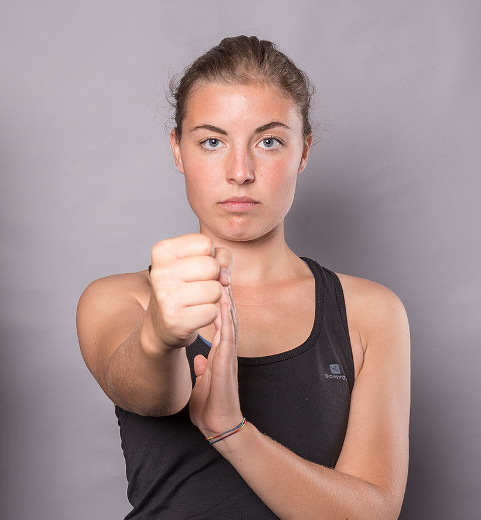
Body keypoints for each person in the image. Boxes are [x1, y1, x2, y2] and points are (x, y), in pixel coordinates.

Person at [76, 36, 410, 519]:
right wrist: (160, 337)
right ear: (177, 150)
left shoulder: (370, 312)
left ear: (304, 152)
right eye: (212, 141)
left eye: (268, 141)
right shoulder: (118, 300)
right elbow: (152, 397)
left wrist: (234, 433)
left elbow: (371, 513)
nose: (240, 171)